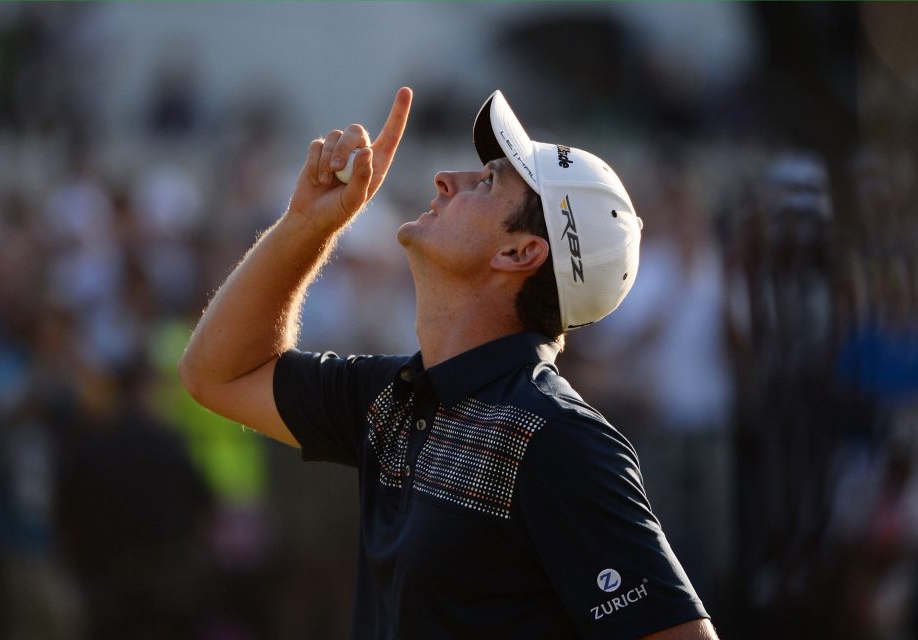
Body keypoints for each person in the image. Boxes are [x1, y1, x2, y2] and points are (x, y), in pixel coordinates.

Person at [179, 87, 717, 639]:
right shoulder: (394, 395)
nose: (446, 179)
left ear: (520, 253)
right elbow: (214, 373)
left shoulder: (563, 440)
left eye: (486, 183)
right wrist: (305, 225)